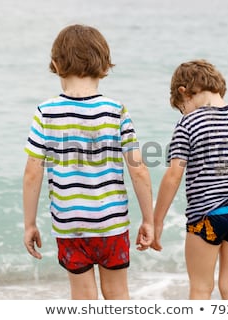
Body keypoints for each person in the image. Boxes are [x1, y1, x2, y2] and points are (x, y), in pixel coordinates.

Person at [22, 24, 154, 300]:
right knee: (118, 294)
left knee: (82, 299)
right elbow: (138, 170)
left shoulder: (46, 113)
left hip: (70, 226)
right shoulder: (116, 111)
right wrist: (149, 220)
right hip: (112, 223)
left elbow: (33, 173)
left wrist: (30, 224)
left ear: (56, 65)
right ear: (105, 66)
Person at [151, 59, 228, 300]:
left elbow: (174, 175)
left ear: (184, 92)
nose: (184, 112)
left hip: (208, 214)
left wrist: (156, 220)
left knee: (201, 288)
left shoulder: (188, 123)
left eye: (182, 107)